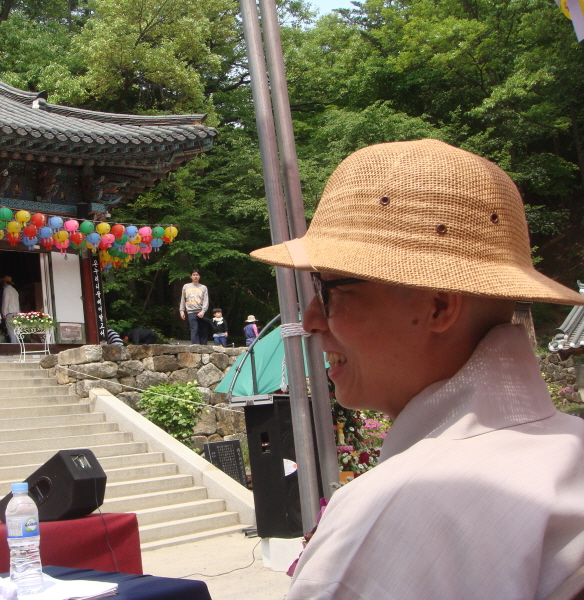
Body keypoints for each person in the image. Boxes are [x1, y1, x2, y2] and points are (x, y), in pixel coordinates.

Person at [249, 139, 584, 600]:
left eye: (329, 291)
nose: (310, 321)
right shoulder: (569, 448)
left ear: (438, 306)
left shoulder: (398, 510)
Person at [179, 270, 210, 345]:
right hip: (191, 311)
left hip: (201, 311)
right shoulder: (186, 286)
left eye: (197, 275)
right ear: (191, 276)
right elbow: (183, 299)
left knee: (203, 331)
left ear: (199, 276)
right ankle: (195, 346)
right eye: (194, 275)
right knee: (194, 330)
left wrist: (203, 311)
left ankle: (203, 347)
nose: (195, 276)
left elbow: (206, 300)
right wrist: (182, 311)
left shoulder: (203, 287)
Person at [0, 275, 20, 343]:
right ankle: (18, 345)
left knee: (11, 330)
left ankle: (13, 346)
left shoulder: (6, 290)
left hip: (9, 312)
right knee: (16, 331)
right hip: (16, 312)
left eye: (3, 282)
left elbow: (5, 301)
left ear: (5, 282)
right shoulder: (14, 290)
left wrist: (4, 313)